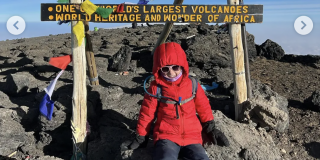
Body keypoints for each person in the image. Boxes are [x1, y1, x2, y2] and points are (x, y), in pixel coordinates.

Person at [121, 42, 229, 160]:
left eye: (175, 67)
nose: (171, 73)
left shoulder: (193, 85)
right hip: (166, 137)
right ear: (159, 69)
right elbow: (146, 114)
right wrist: (141, 137)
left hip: (192, 137)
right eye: (165, 69)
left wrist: (210, 128)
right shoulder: (156, 88)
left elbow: (204, 107)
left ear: (182, 66)